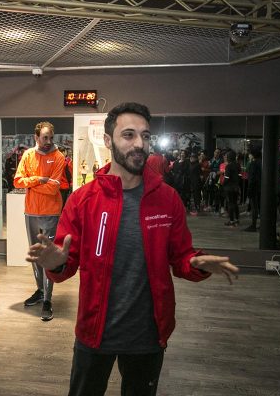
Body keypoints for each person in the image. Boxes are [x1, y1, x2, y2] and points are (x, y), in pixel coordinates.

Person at [26, 102, 239, 396]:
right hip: (94, 330)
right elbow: (66, 263)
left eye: (146, 135)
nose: (140, 143)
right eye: (128, 135)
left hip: (148, 334)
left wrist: (197, 263)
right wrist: (56, 262)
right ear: (108, 140)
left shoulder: (167, 199)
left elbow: (181, 258)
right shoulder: (83, 200)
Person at [14, 121, 65, 321]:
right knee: (36, 256)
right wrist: (39, 179)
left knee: (47, 257)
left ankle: (48, 300)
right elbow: (18, 181)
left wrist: (33, 183)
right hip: (31, 213)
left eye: (51, 138)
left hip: (51, 213)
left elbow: (54, 188)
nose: (48, 141)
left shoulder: (58, 157)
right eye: (45, 138)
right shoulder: (27, 155)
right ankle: (40, 291)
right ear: (36, 137)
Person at [244, 150, 262, 232]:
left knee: (254, 207)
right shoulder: (262, 163)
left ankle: (253, 225)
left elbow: (251, 178)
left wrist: (249, 189)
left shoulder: (253, 164)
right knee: (260, 206)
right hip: (262, 187)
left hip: (254, 187)